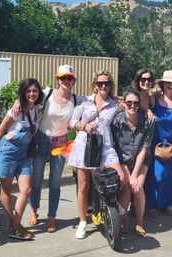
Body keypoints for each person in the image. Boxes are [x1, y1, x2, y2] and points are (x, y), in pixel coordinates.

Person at [68, 70, 128, 239]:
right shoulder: (84, 102)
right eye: (100, 83)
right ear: (95, 84)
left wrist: (148, 112)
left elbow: (134, 105)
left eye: (106, 83)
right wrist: (84, 126)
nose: (103, 86)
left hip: (105, 146)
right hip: (85, 146)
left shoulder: (115, 103)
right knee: (84, 185)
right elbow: (72, 121)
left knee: (120, 177)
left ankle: (112, 208)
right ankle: (82, 222)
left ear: (110, 85)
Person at [26, 65, 80, 233]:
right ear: (57, 79)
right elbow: (29, 98)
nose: (66, 81)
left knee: (55, 183)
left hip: (61, 142)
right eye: (63, 77)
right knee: (36, 179)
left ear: (73, 81)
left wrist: (117, 99)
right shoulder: (47, 93)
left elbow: (98, 97)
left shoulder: (76, 100)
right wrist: (16, 102)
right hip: (42, 139)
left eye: (69, 78)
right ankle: (34, 210)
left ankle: (51, 217)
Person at [0, 78, 43, 240]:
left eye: (34, 91)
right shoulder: (16, 110)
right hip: (7, 153)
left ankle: (15, 225)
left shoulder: (35, 109)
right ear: (23, 93)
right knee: (5, 191)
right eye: (28, 91)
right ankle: (15, 225)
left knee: (26, 189)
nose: (32, 94)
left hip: (23, 156)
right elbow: (0, 130)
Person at [111, 86, 155, 236]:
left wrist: (135, 174)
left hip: (141, 159)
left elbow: (145, 148)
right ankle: (123, 220)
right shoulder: (116, 121)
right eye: (129, 102)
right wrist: (127, 173)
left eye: (136, 103)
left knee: (137, 187)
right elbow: (115, 148)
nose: (132, 106)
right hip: (122, 159)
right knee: (126, 188)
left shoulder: (148, 121)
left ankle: (139, 221)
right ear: (123, 102)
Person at [144, 70, 172, 217]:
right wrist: (149, 111)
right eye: (167, 82)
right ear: (162, 83)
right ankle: (152, 204)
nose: (170, 85)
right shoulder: (154, 97)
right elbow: (142, 107)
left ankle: (169, 203)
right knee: (156, 175)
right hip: (157, 142)